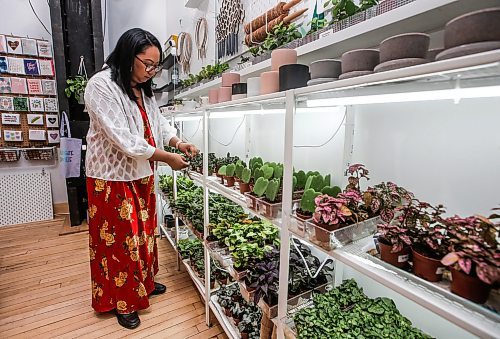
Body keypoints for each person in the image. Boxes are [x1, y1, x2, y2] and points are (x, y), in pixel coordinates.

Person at [84, 28, 198, 329]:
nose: (152, 71)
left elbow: (157, 122)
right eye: (147, 64)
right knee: (120, 241)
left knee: (144, 234)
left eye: (155, 66)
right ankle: (122, 301)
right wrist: (166, 158)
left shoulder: (141, 88)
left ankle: (143, 284)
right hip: (110, 178)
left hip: (141, 172)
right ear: (127, 56)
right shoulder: (101, 86)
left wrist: (177, 143)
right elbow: (124, 139)